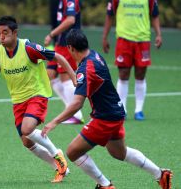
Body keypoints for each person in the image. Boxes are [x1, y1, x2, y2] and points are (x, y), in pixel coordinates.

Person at [42, 29, 172, 189]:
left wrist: (54, 122)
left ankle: (105, 185)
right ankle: (160, 174)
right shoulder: (95, 56)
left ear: (70, 49)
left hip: (105, 118)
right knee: (119, 153)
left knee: (73, 152)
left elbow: (77, 103)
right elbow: (90, 81)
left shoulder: (86, 68)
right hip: (116, 112)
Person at [0, 16, 76, 183]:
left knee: (27, 129)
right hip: (18, 101)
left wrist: (74, 77)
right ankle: (60, 168)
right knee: (27, 142)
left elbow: (58, 57)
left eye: (5, 33)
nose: (2, 37)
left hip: (37, 94)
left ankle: (59, 157)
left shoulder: (29, 48)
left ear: (15, 33)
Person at [102, 0, 162, 120]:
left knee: (140, 74)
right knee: (123, 74)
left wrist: (159, 34)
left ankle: (138, 110)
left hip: (143, 39)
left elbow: (155, 15)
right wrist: (105, 37)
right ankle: (122, 109)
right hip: (124, 39)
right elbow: (110, 15)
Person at [44, 0, 84, 124]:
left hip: (68, 42)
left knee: (65, 78)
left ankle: (76, 115)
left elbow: (70, 20)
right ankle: (70, 110)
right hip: (60, 43)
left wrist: (52, 34)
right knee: (49, 75)